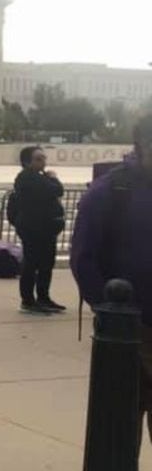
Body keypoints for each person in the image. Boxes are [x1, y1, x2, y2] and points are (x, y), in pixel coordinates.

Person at [71, 115, 152, 446]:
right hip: (130, 329)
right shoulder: (111, 191)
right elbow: (83, 258)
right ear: (143, 145)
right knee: (122, 426)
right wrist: (111, 314)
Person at [12, 146, 66, 313]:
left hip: (47, 229)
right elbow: (57, 190)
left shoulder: (39, 177)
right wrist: (54, 178)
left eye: (44, 158)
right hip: (34, 229)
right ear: (27, 162)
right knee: (32, 264)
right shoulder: (28, 178)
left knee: (46, 264)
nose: (43, 162)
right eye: (38, 159)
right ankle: (28, 300)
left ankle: (43, 297)